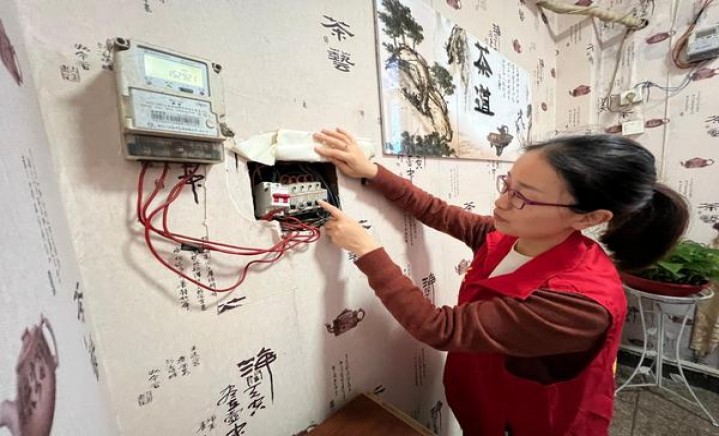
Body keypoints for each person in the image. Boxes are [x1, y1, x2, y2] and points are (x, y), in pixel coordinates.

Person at [312, 128, 689, 436]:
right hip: (486, 402)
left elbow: (438, 327)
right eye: (508, 184)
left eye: (523, 197)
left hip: (536, 424)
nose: (502, 202)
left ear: (588, 218)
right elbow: (441, 213)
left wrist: (366, 249)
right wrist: (372, 172)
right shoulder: (514, 236)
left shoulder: (580, 303)